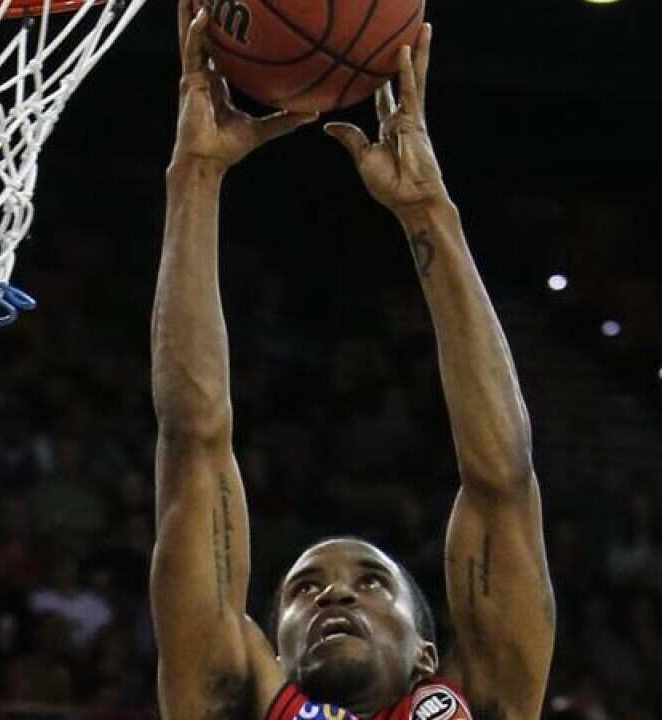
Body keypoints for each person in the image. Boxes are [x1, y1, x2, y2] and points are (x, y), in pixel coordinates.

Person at [149, 3, 556, 720]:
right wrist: (197, 175)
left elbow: (503, 481)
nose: (334, 593)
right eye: (303, 591)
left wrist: (430, 211)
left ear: (425, 657)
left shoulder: (482, 701)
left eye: (372, 583)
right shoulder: (234, 695)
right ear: (274, 649)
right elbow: (193, 443)